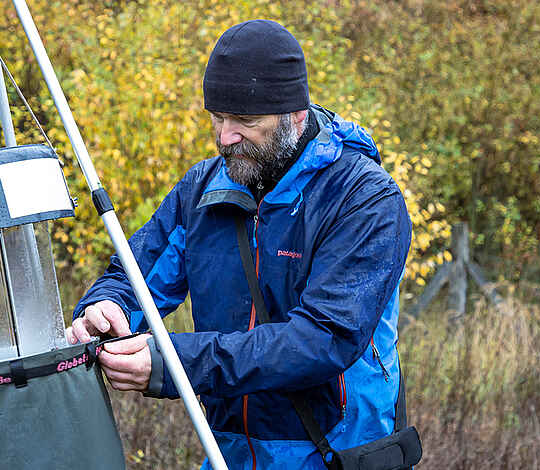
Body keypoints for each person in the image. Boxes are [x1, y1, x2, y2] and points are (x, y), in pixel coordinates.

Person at [66, 19, 412, 470]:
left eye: (245, 121)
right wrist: (104, 309)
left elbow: (322, 340)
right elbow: (135, 277)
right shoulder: (201, 190)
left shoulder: (364, 200)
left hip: (336, 455)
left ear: (295, 115)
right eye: (218, 117)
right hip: (229, 455)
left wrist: (172, 363)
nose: (225, 137)